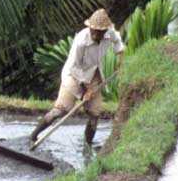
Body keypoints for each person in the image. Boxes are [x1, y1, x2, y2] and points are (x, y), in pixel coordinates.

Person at [29, 9, 125, 147]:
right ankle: (33, 136)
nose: (96, 34)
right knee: (59, 110)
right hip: (73, 76)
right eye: (94, 30)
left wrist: (120, 52)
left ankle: (87, 146)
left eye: (100, 31)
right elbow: (74, 66)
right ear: (90, 27)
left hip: (94, 74)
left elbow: (117, 40)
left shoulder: (110, 33)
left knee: (94, 115)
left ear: (104, 31)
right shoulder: (81, 40)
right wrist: (87, 88)